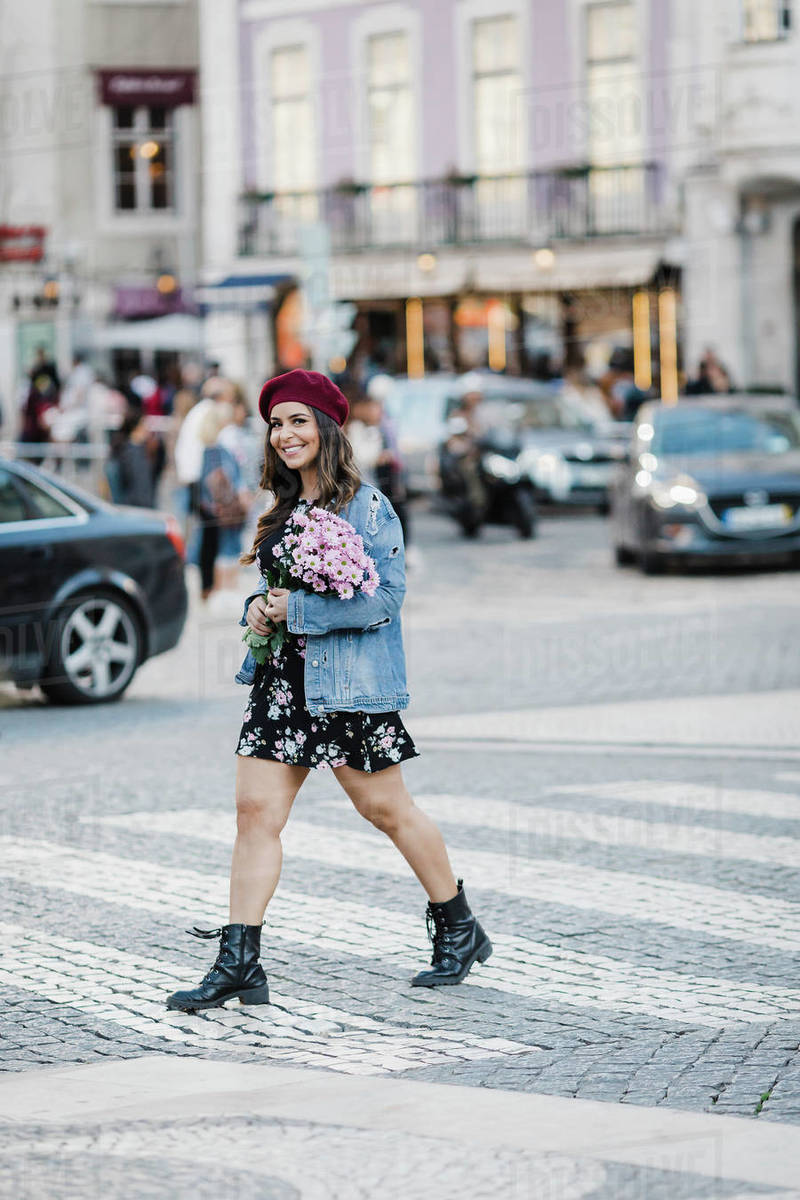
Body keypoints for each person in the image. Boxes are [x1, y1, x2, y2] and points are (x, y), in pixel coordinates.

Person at [166, 369, 492, 1012]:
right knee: (254, 814)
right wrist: (258, 610)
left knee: (386, 810)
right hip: (282, 685)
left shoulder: (367, 506)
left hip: (345, 685)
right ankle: (239, 963)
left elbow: (386, 598)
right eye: (277, 424)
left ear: (327, 427)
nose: (286, 434)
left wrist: (300, 613)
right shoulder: (283, 509)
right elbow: (275, 593)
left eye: (298, 420)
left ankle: (459, 925)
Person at [196, 401, 247, 599]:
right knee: (227, 546)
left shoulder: (207, 448)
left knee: (213, 546)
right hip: (223, 506)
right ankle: (225, 590)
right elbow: (230, 477)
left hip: (210, 505)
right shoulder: (221, 448)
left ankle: (214, 590)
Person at [105, 409, 156, 507]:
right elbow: (138, 487)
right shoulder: (130, 453)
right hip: (135, 509)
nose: (148, 428)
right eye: (144, 424)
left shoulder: (137, 449)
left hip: (138, 508)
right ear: (136, 427)